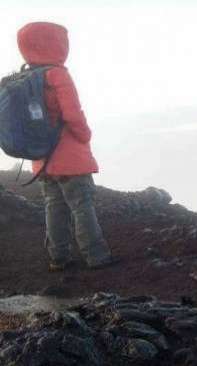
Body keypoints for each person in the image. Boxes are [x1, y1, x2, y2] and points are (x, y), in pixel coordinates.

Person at [17, 22, 116, 271]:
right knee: (82, 205)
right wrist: (85, 135)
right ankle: (96, 256)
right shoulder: (57, 74)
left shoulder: (26, 77)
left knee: (54, 205)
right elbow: (73, 115)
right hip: (69, 157)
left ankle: (58, 258)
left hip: (43, 159)